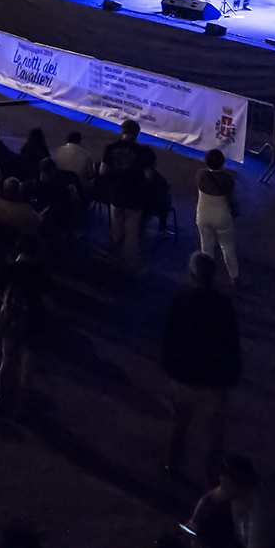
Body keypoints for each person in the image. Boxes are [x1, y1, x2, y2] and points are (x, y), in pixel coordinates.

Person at [163, 252, 240, 487]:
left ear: (192, 275)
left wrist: (171, 368)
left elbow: (169, 339)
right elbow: (231, 343)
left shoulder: (180, 301)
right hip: (213, 382)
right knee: (213, 436)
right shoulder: (222, 305)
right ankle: (213, 480)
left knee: (179, 425)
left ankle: (173, 465)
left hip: (184, 378)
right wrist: (230, 375)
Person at [0, 251, 48, 413]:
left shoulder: (7, 270)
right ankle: (22, 409)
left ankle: (1, 400)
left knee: (7, 361)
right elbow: (48, 304)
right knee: (27, 368)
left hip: (11, 323)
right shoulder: (41, 275)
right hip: (33, 325)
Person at [101, 119, 156, 273]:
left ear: (122, 130)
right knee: (131, 234)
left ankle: (114, 263)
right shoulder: (144, 152)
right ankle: (130, 267)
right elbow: (149, 175)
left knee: (116, 231)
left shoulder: (111, 148)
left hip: (116, 195)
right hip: (134, 198)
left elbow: (103, 171)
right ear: (137, 133)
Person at [181, 453, 259, 548]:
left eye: (225, 484)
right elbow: (209, 498)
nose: (222, 488)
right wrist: (195, 522)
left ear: (242, 484)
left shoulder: (259, 516)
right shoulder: (237, 491)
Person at [193, 149, 242, 288]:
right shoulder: (228, 180)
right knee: (227, 247)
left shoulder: (201, 175)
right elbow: (232, 198)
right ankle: (234, 276)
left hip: (203, 215)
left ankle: (205, 277)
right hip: (222, 216)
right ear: (222, 162)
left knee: (206, 246)